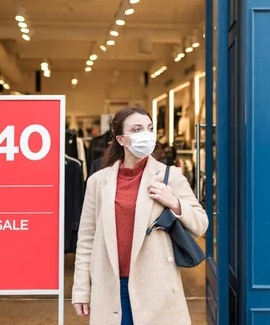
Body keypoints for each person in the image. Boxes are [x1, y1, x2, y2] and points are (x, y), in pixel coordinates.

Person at [72, 106, 208, 324]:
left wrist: (173, 202)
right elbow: (86, 239)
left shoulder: (169, 176)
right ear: (120, 139)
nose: (146, 134)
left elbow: (201, 224)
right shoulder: (99, 181)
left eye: (149, 128)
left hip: (157, 288)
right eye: (137, 129)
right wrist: (80, 289)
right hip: (111, 286)